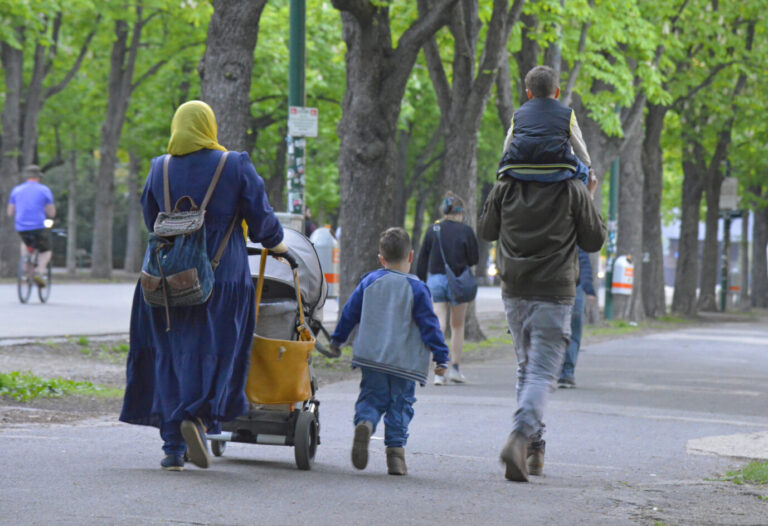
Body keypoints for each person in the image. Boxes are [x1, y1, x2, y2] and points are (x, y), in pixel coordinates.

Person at [119, 101, 287, 472]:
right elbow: (262, 222)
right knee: (217, 352)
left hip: (164, 282)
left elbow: (153, 219)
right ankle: (195, 417)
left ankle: (172, 448)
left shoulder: (159, 167)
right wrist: (278, 244)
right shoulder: (233, 164)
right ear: (209, 126)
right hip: (221, 280)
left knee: (170, 357)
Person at [478, 164, 605, 482]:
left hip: (515, 289)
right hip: (554, 291)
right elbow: (594, 240)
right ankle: (520, 437)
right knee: (541, 373)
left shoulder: (507, 185)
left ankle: (533, 448)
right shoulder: (572, 188)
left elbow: (486, 230)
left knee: (525, 368)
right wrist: (588, 196)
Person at [330, 227, 449, 476]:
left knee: (371, 398)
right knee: (401, 405)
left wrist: (337, 341)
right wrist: (441, 357)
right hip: (405, 363)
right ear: (411, 256)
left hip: (372, 358)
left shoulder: (370, 282)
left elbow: (349, 314)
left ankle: (365, 422)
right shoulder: (417, 289)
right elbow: (430, 326)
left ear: (381, 259)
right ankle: (395, 456)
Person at [416, 193, 479, 385]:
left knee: (439, 323)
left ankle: (438, 371)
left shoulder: (432, 229)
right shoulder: (466, 231)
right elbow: (474, 259)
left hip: (435, 280)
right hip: (458, 281)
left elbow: (422, 259)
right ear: (460, 213)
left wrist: (420, 281)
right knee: (457, 326)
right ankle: (455, 369)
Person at [499, 65, 593, 185]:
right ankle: (582, 202)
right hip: (557, 170)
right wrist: (587, 165)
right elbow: (580, 149)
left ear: (529, 94)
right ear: (557, 92)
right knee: (583, 171)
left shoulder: (518, 114)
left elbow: (507, 146)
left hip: (519, 169)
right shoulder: (567, 113)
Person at [7, 165, 56, 287]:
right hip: (38, 225)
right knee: (46, 250)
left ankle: (26, 269)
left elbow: (10, 212)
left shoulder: (16, 190)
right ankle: (39, 272)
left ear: (26, 177)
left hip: (21, 226)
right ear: (38, 177)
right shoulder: (44, 190)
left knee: (25, 243)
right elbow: (51, 213)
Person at [558, 249, 597, 389]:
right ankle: (566, 373)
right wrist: (588, 288)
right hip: (574, 285)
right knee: (573, 331)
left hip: (552, 286)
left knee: (553, 329)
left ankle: (549, 371)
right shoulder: (576, 230)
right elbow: (583, 261)